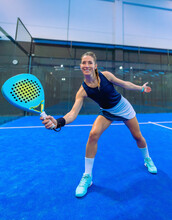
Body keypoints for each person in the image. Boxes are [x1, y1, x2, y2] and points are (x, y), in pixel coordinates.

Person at [41, 51, 157, 198]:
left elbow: (125, 84)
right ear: (81, 66)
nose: (87, 65)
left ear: (95, 66)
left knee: (137, 136)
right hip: (107, 112)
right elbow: (72, 113)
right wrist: (58, 122)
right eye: (84, 62)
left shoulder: (106, 75)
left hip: (123, 108)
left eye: (90, 63)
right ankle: (87, 176)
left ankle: (147, 159)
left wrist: (140, 88)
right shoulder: (82, 91)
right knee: (93, 135)